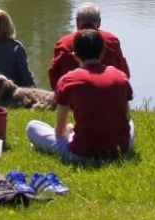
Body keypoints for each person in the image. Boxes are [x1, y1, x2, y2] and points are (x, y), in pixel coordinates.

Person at [27, 27, 134, 163]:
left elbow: (59, 132)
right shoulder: (121, 77)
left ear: (74, 55)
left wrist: (69, 130)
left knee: (32, 127)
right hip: (119, 151)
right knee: (131, 123)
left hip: (81, 154)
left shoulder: (67, 80)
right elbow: (126, 118)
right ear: (102, 53)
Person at [47, 1, 130, 89]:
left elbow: (54, 78)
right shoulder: (112, 41)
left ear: (77, 21)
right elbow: (124, 74)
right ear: (99, 22)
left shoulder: (64, 43)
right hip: (109, 96)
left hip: (71, 98)